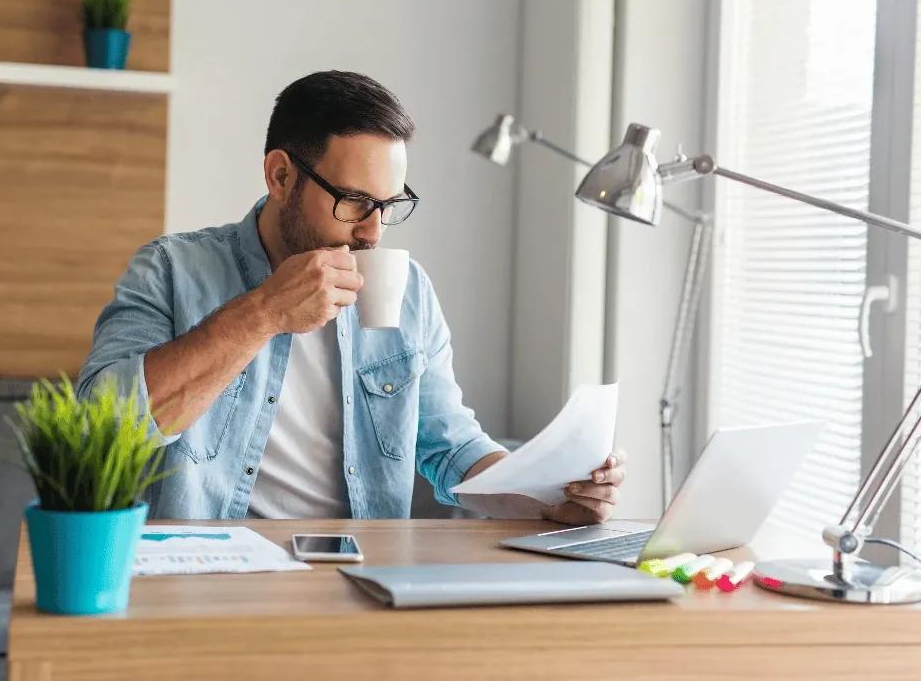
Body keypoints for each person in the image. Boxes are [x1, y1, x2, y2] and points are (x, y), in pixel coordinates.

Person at [76, 70, 626, 522]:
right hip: (209, 577)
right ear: (280, 175)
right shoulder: (171, 270)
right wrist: (263, 313)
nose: (373, 232)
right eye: (356, 201)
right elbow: (96, 433)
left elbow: (450, 448)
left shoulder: (408, 292)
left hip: (360, 578)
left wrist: (553, 498)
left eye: (389, 204)